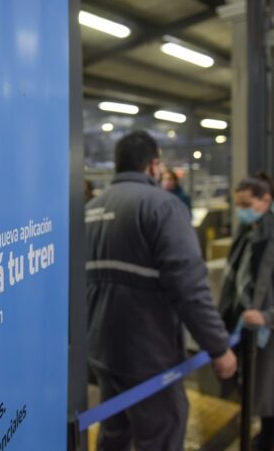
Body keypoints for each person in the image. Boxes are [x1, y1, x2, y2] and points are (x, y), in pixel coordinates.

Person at [85, 130, 237, 451]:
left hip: (102, 350)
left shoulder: (91, 210)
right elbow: (190, 286)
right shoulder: (162, 206)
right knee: (162, 435)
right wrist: (218, 347)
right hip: (150, 357)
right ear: (154, 165)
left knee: (114, 434)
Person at [218, 173, 274, 451]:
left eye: (246, 204)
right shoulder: (247, 235)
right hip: (245, 327)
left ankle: (269, 437)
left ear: (266, 200)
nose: (241, 211)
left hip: (271, 332)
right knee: (256, 385)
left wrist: (268, 317)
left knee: (272, 390)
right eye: (238, 204)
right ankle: (273, 428)